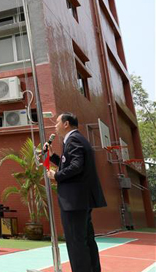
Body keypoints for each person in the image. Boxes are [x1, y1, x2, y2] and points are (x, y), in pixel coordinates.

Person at [46, 112, 106, 272]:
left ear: (66, 124)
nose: (55, 126)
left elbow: (76, 166)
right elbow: (70, 163)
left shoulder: (73, 140)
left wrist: (56, 175)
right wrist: (52, 156)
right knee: (86, 240)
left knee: (76, 243)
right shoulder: (77, 139)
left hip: (74, 201)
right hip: (80, 200)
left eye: (57, 122)